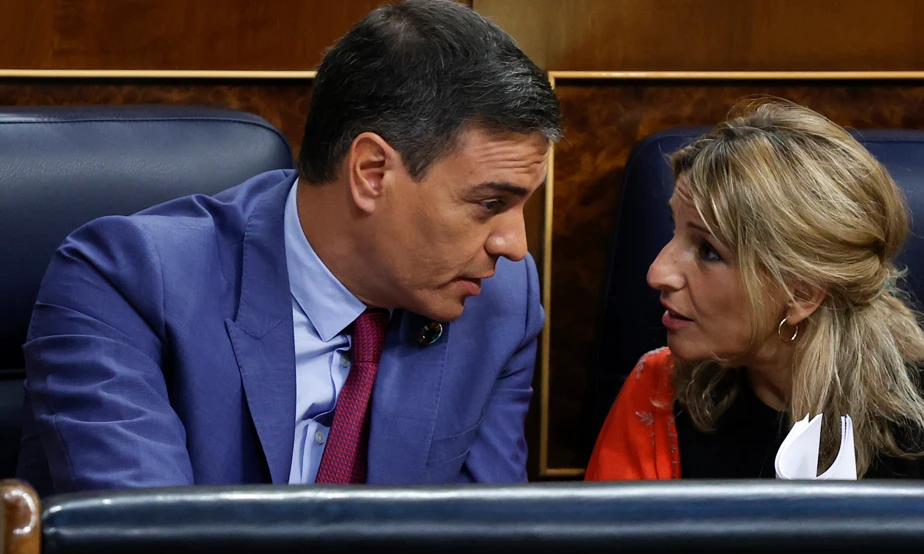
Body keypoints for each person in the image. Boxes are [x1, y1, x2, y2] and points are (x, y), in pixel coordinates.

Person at [18, 0, 561, 495]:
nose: (514, 246)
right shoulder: (124, 282)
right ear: (372, 173)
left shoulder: (502, 301)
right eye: (490, 203)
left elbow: (487, 553)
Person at [586, 99, 924, 482]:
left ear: (802, 292)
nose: (657, 272)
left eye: (708, 250)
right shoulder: (658, 392)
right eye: (675, 230)